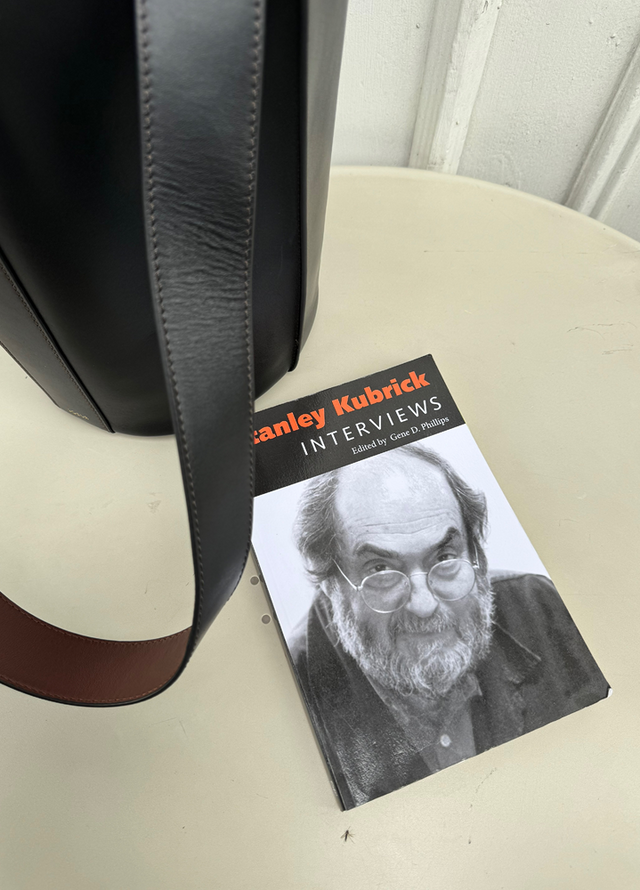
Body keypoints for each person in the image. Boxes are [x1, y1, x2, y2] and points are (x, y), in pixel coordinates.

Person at [290, 444, 608, 808]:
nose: (424, 605)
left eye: (444, 557)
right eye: (380, 569)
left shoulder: (542, 610)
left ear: (477, 557)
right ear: (330, 584)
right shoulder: (291, 694)